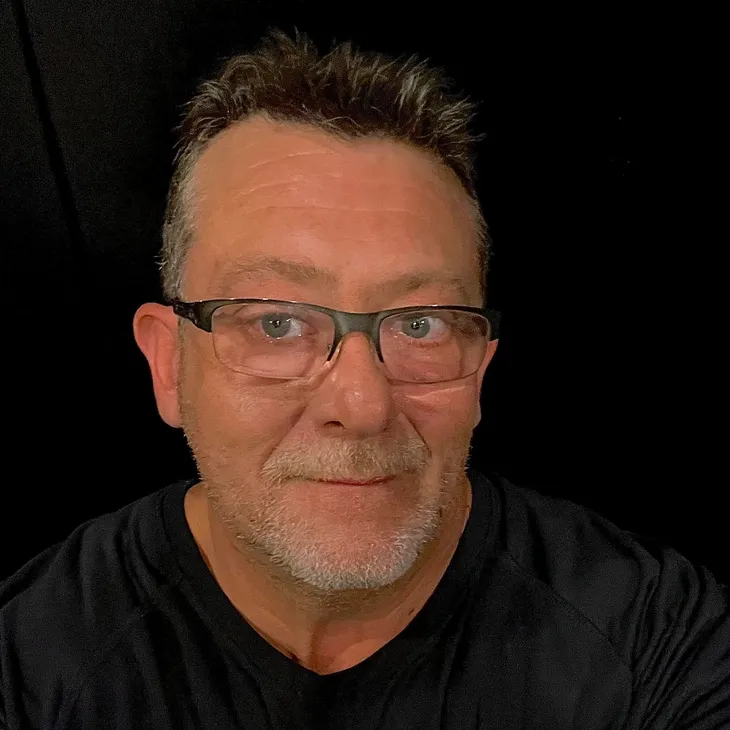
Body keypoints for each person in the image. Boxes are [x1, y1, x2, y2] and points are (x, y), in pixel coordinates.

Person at [0, 29, 727, 730]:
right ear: (168, 365)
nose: (362, 404)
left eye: (421, 325)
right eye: (277, 322)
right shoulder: (29, 661)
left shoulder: (654, 641)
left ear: (480, 371)